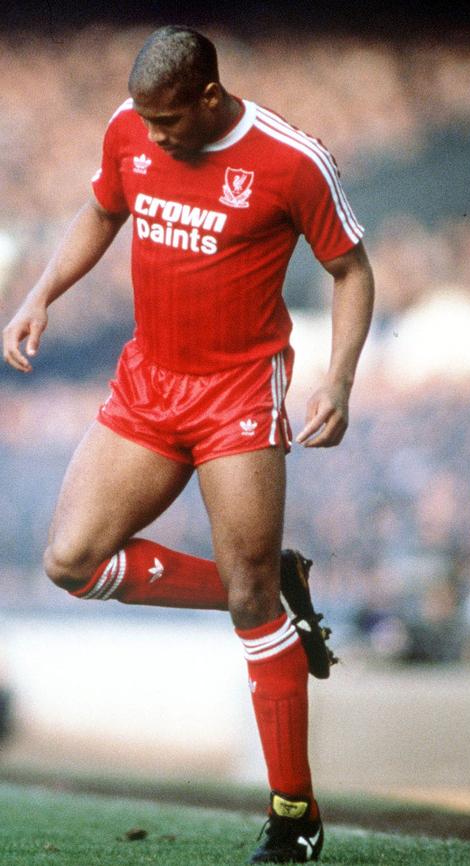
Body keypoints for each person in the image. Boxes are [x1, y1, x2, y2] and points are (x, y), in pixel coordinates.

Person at [2, 25, 374, 864]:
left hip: (239, 394)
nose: (157, 136)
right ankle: (268, 591)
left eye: (170, 121)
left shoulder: (291, 160)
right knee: (72, 561)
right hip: (149, 383)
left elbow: (353, 270)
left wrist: (339, 380)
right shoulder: (129, 126)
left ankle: (294, 815)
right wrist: (40, 294)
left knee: (250, 609)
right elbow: (102, 210)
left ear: (209, 96)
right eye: (148, 122)